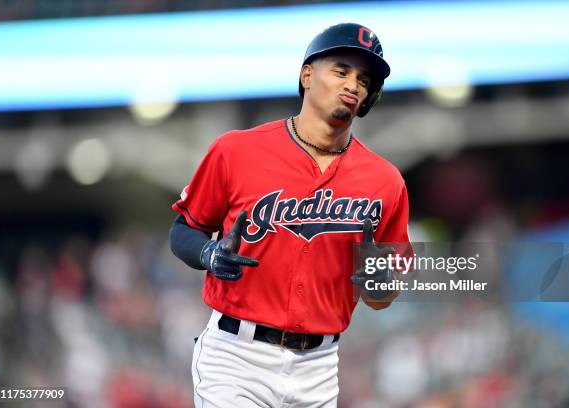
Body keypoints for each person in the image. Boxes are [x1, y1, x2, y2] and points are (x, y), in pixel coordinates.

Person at [169, 22, 411, 407]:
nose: (353, 85)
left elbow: (382, 297)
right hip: (236, 357)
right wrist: (208, 255)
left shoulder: (385, 182)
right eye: (341, 70)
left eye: (364, 80)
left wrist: (378, 282)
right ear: (307, 74)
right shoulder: (237, 151)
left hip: (319, 366)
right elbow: (184, 230)